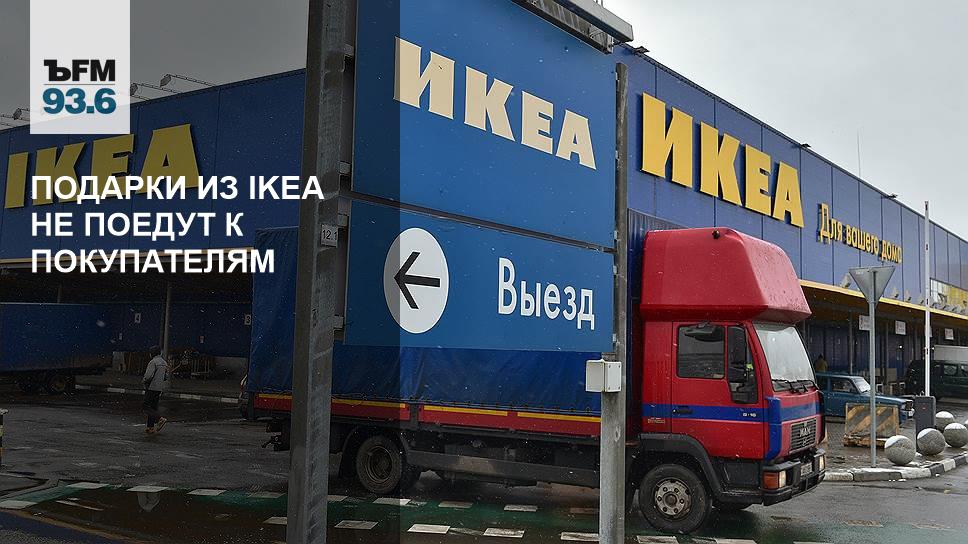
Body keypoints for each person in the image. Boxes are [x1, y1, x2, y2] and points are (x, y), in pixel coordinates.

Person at [142, 346, 170, 434]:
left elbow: (148, 376)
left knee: (146, 406)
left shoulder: (153, 362)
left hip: (151, 387)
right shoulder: (164, 363)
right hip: (159, 388)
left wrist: (144, 381)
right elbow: (166, 377)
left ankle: (160, 419)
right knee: (153, 407)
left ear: (152, 353)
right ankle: (150, 427)